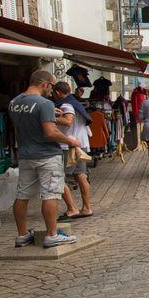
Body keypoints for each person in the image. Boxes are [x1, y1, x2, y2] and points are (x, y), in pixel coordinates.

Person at [9, 69, 81, 249]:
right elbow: (51, 132)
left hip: (25, 154)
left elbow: (28, 123)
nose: (52, 91)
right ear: (45, 84)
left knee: (22, 195)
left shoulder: (14, 103)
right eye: (52, 86)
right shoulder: (44, 103)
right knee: (51, 194)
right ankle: (52, 235)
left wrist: (52, 114)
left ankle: (22, 235)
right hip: (47, 155)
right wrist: (71, 141)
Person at [53, 81, 94, 220]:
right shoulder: (76, 103)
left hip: (69, 145)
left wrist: (52, 117)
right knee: (80, 175)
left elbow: (68, 121)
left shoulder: (65, 105)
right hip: (80, 144)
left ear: (57, 93)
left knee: (59, 177)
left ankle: (72, 208)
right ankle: (87, 208)